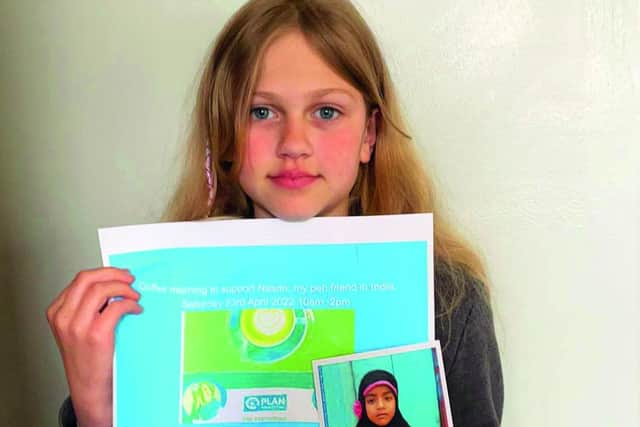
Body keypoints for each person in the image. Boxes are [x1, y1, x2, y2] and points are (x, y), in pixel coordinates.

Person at [47, 1, 503, 426]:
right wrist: (95, 404)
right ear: (223, 132)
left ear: (370, 134)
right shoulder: (147, 302)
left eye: (326, 111)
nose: (294, 144)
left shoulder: (447, 301)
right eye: (261, 111)